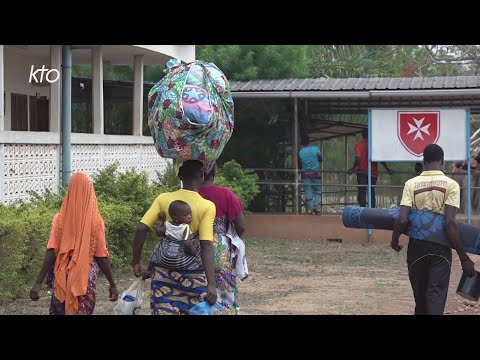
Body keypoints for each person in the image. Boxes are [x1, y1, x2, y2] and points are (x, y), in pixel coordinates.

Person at [391, 144, 476, 315]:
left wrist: (394, 240)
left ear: (424, 162)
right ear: (442, 162)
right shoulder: (451, 185)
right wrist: (464, 258)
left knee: (420, 299)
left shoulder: (411, 184)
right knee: (436, 296)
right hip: (441, 249)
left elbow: (402, 219)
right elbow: (450, 223)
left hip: (416, 247)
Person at [131, 160, 217, 315]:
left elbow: (141, 228)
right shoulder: (207, 206)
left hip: (163, 272)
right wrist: (211, 283)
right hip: (192, 274)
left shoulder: (163, 198)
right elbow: (206, 245)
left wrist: (136, 261)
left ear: (180, 176)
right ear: (202, 176)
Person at [29, 172, 119, 315]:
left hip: (61, 279)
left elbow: (51, 252)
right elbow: (102, 257)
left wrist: (38, 282)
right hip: (83, 281)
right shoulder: (96, 222)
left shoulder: (59, 219)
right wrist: (112, 284)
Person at [198, 161, 246, 315]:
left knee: (198, 291)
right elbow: (241, 227)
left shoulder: (191, 194)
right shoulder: (226, 194)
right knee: (225, 295)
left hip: (193, 247)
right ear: (214, 172)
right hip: (219, 249)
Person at [145, 200, 198, 275]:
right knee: (199, 249)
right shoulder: (185, 227)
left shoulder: (167, 224)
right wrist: (195, 253)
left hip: (163, 259)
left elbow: (158, 232)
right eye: (186, 215)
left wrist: (161, 220)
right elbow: (187, 244)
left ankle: (149, 270)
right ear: (176, 218)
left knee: (157, 247)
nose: (190, 217)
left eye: (190, 214)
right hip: (179, 260)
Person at [348, 128, 393, 208]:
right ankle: (372, 210)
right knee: (371, 190)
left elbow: (358, 158)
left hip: (362, 172)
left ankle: (362, 209)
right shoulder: (374, 145)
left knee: (362, 190)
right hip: (373, 172)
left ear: (362, 135)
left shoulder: (359, 145)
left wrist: (352, 169)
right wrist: (387, 169)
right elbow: (380, 159)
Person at [298, 136, 322, 215]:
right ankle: (315, 206)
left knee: (308, 192)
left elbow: (299, 165)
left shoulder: (300, 152)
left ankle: (312, 210)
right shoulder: (315, 148)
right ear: (309, 142)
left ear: (301, 143)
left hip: (305, 174)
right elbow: (320, 159)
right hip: (315, 174)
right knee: (318, 190)